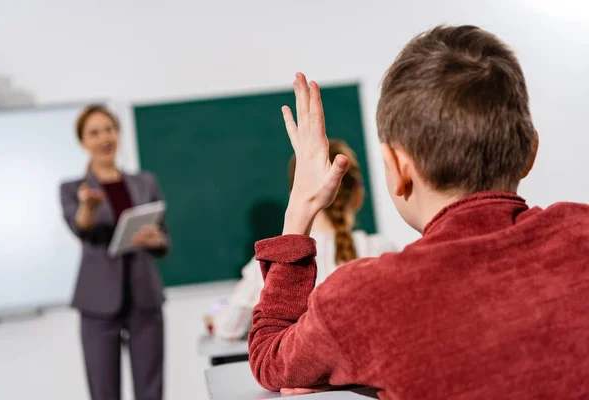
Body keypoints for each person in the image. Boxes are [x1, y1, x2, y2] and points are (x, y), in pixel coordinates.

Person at [248, 26, 589, 399]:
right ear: (530, 152)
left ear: (397, 167)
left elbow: (269, 359)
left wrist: (301, 207)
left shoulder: (366, 300)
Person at [212, 139, 396, 340]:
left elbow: (228, 329)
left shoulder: (275, 261)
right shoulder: (381, 250)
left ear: (295, 198)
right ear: (358, 196)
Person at [60, 105, 170, 400]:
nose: (104, 137)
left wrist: (154, 238)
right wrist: (89, 207)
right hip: (97, 303)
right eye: (94, 133)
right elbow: (80, 227)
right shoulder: (74, 190)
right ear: (83, 141)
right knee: (103, 392)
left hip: (144, 298)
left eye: (109, 129)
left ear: (118, 134)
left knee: (151, 389)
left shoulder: (145, 182)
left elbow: (164, 241)